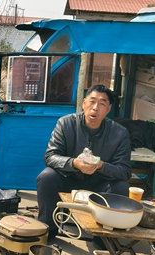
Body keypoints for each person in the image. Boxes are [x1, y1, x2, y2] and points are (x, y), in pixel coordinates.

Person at [37, 85, 131, 238]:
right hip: (69, 179)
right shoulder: (66, 124)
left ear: (108, 109)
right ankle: (49, 231)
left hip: (101, 183)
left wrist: (101, 166)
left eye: (102, 104)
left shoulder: (120, 133)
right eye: (92, 101)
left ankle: (104, 239)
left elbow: (125, 171)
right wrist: (74, 163)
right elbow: (50, 156)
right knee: (47, 177)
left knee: (121, 186)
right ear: (84, 103)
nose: (95, 108)